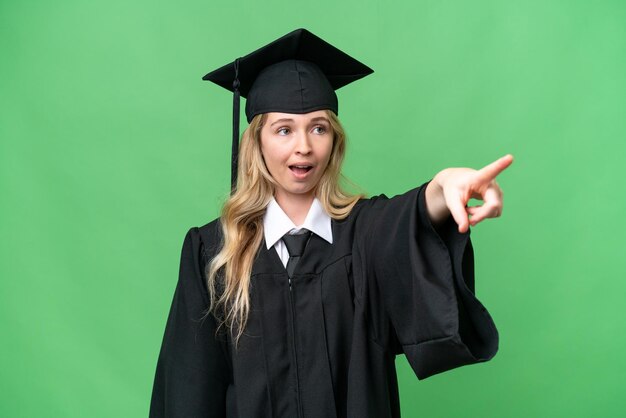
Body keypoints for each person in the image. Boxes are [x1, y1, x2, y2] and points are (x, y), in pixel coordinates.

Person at [149, 28, 512, 418]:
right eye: (284, 129)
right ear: (256, 143)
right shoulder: (214, 252)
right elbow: (190, 390)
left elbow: (412, 215)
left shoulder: (366, 234)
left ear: (334, 141)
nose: (303, 145)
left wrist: (443, 187)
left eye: (318, 128)